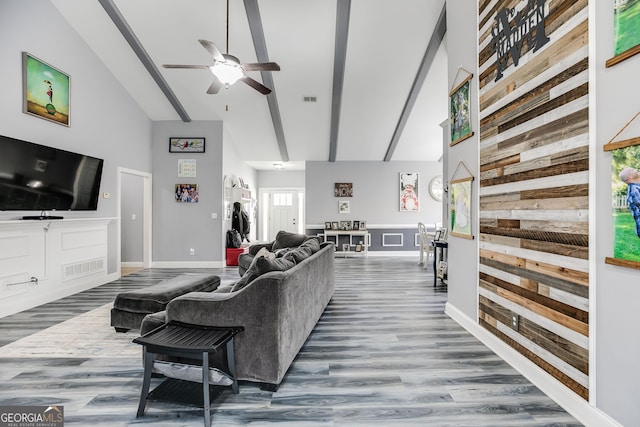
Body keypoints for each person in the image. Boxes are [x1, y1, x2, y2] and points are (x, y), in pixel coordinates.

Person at [619, 167, 640, 238]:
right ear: (630, 176)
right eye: (632, 170)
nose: (636, 169)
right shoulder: (634, 191)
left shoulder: (637, 187)